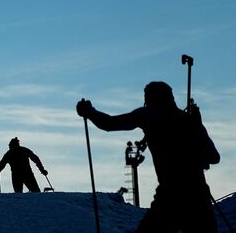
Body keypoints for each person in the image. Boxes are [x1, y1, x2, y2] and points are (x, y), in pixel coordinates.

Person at [76, 81, 220, 233]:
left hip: (170, 197)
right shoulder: (188, 120)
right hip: (198, 197)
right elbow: (213, 157)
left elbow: (110, 124)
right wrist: (198, 127)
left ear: (150, 99)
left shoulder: (149, 115)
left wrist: (90, 112)